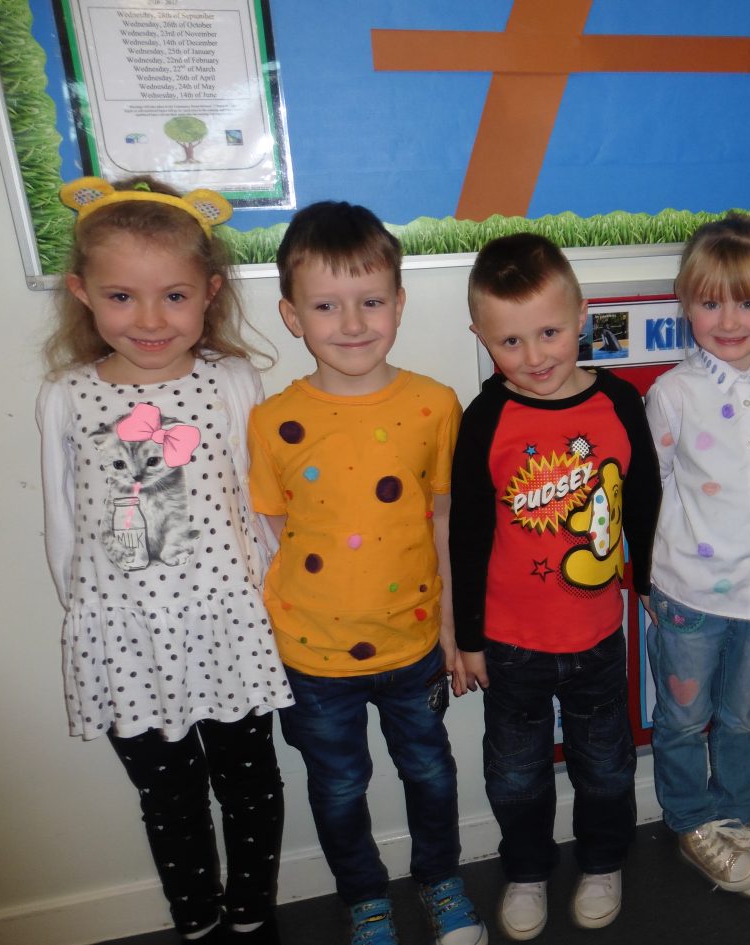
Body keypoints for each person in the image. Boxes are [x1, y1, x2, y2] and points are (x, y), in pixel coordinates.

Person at [37, 176, 289, 944]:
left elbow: (261, 504)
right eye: (122, 297)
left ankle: (252, 911)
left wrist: (274, 598)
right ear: (82, 292)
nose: (149, 320)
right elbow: (62, 522)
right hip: (127, 636)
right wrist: (88, 616)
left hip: (226, 626)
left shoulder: (231, 381)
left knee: (250, 785)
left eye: (173, 296)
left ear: (209, 292)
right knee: (169, 797)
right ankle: (197, 918)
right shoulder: (67, 395)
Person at [247, 202, 485, 945]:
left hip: (413, 646)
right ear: (292, 316)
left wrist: (452, 628)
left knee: (431, 773)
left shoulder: (435, 405)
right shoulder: (271, 421)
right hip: (313, 658)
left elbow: (443, 521)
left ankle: (441, 880)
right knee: (339, 786)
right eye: (326, 306)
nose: (352, 323)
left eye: (371, 301)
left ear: (400, 304)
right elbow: (279, 530)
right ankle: (364, 899)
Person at [450, 233, 660, 940]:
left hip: (598, 635)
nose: (535, 356)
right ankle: (526, 869)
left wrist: (647, 578)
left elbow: (644, 495)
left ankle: (603, 860)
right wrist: (469, 637)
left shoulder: (620, 403)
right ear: (480, 337)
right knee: (516, 774)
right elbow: (468, 535)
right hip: (511, 645)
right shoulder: (486, 419)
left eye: (549, 333)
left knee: (606, 766)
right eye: (510, 341)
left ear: (582, 319)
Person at [642, 214, 750, 896]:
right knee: (683, 719)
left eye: (747, 301)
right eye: (710, 302)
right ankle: (691, 821)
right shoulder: (673, 394)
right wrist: (649, 581)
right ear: (686, 304)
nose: (728, 320)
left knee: (743, 715)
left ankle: (734, 817)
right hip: (690, 594)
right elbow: (652, 488)